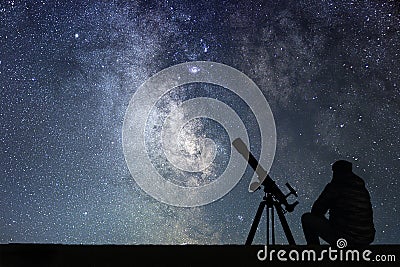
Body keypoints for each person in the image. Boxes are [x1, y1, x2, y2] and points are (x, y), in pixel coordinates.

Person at [301, 160, 375, 245]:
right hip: (366, 238)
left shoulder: (335, 186)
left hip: (346, 239)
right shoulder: (362, 189)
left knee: (307, 218)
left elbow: (316, 211)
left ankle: (314, 251)